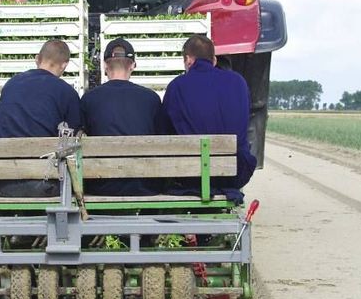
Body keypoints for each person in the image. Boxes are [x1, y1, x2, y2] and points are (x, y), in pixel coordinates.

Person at [160, 34, 257, 202]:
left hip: (191, 177)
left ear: (188, 60)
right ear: (214, 60)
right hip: (234, 173)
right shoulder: (238, 82)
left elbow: (164, 133)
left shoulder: (177, 86)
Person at [0, 39, 83, 196]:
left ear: (37, 58)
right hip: (46, 184)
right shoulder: (66, 92)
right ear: (64, 65)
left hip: (5, 183)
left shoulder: (10, 85)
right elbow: (74, 140)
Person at [80, 37, 163, 195]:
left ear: (105, 65)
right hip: (144, 184)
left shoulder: (89, 99)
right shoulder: (151, 99)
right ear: (133, 65)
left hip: (101, 185)